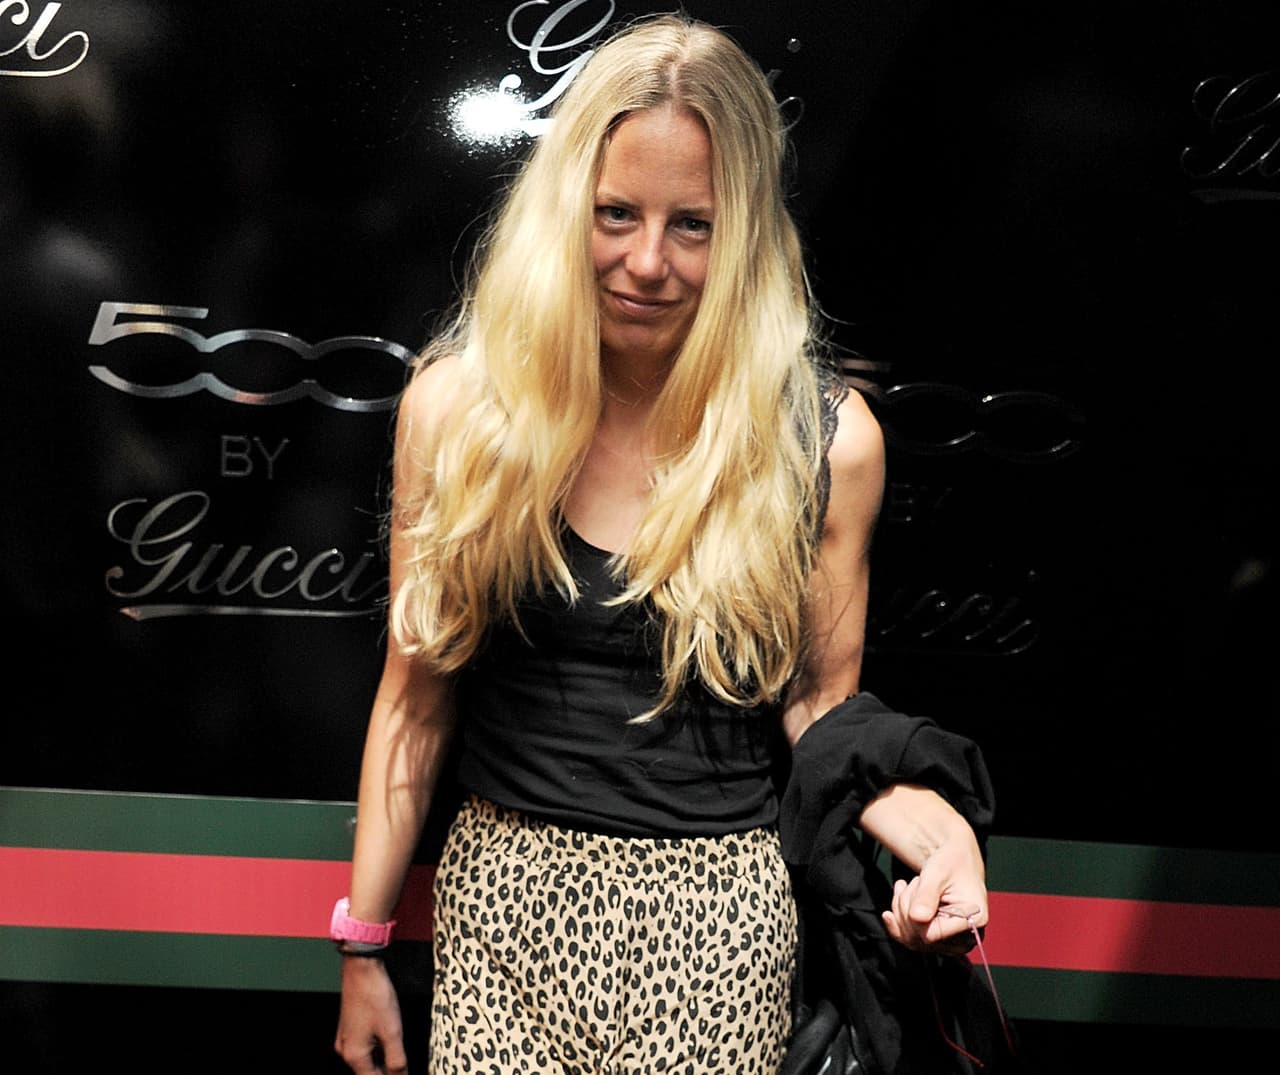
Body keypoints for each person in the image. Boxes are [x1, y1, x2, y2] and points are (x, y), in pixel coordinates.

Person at [333, 14, 990, 1075]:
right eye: (615, 213)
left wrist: (935, 835)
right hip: (501, 910)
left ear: (745, 235)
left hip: (719, 924)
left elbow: (821, 714)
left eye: (692, 224)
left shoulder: (824, 441)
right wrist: (362, 944)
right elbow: (415, 697)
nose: (646, 261)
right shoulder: (461, 411)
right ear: (564, 207)